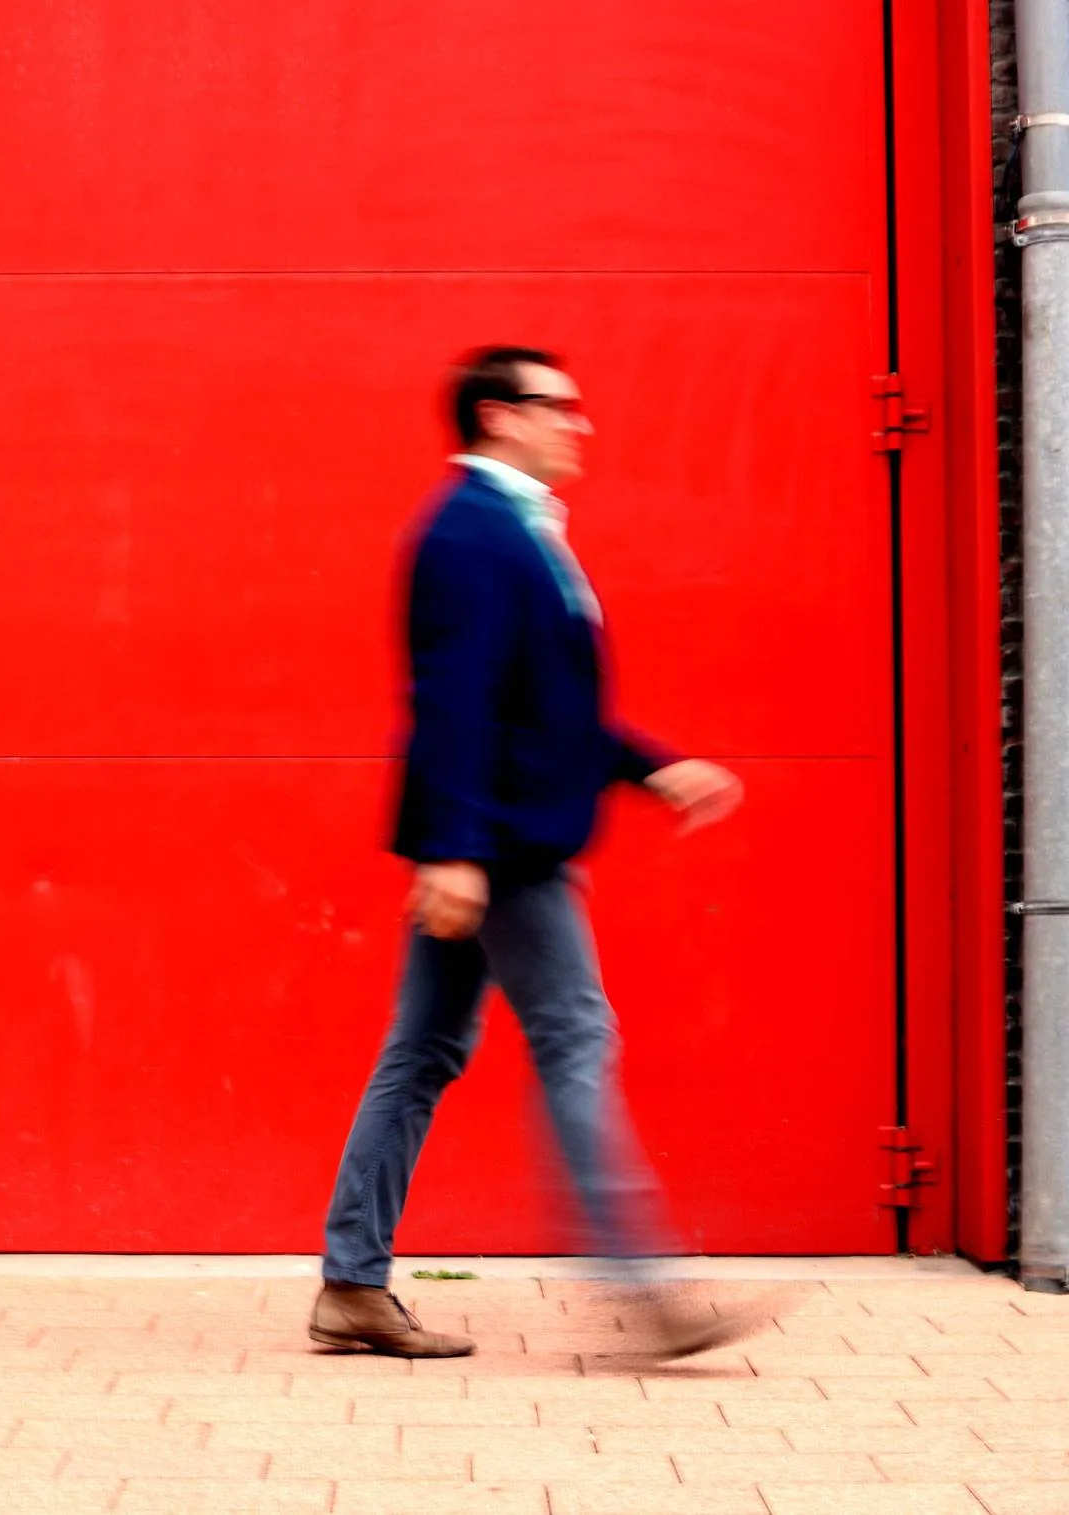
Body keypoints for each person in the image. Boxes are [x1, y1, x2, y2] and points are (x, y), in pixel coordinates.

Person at [309, 346, 766, 1360]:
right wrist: (454, 852)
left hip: (493, 834)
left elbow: (543, 713)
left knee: (420, 1053)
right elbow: (453, 702)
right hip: (502, 849)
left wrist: (652, 767)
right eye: (556, 406)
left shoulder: (518, 530)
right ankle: (641, 1287)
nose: (578, 424)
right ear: (496, 417)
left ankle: (350, 1283)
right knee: (574, 1035)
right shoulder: (471, 532)